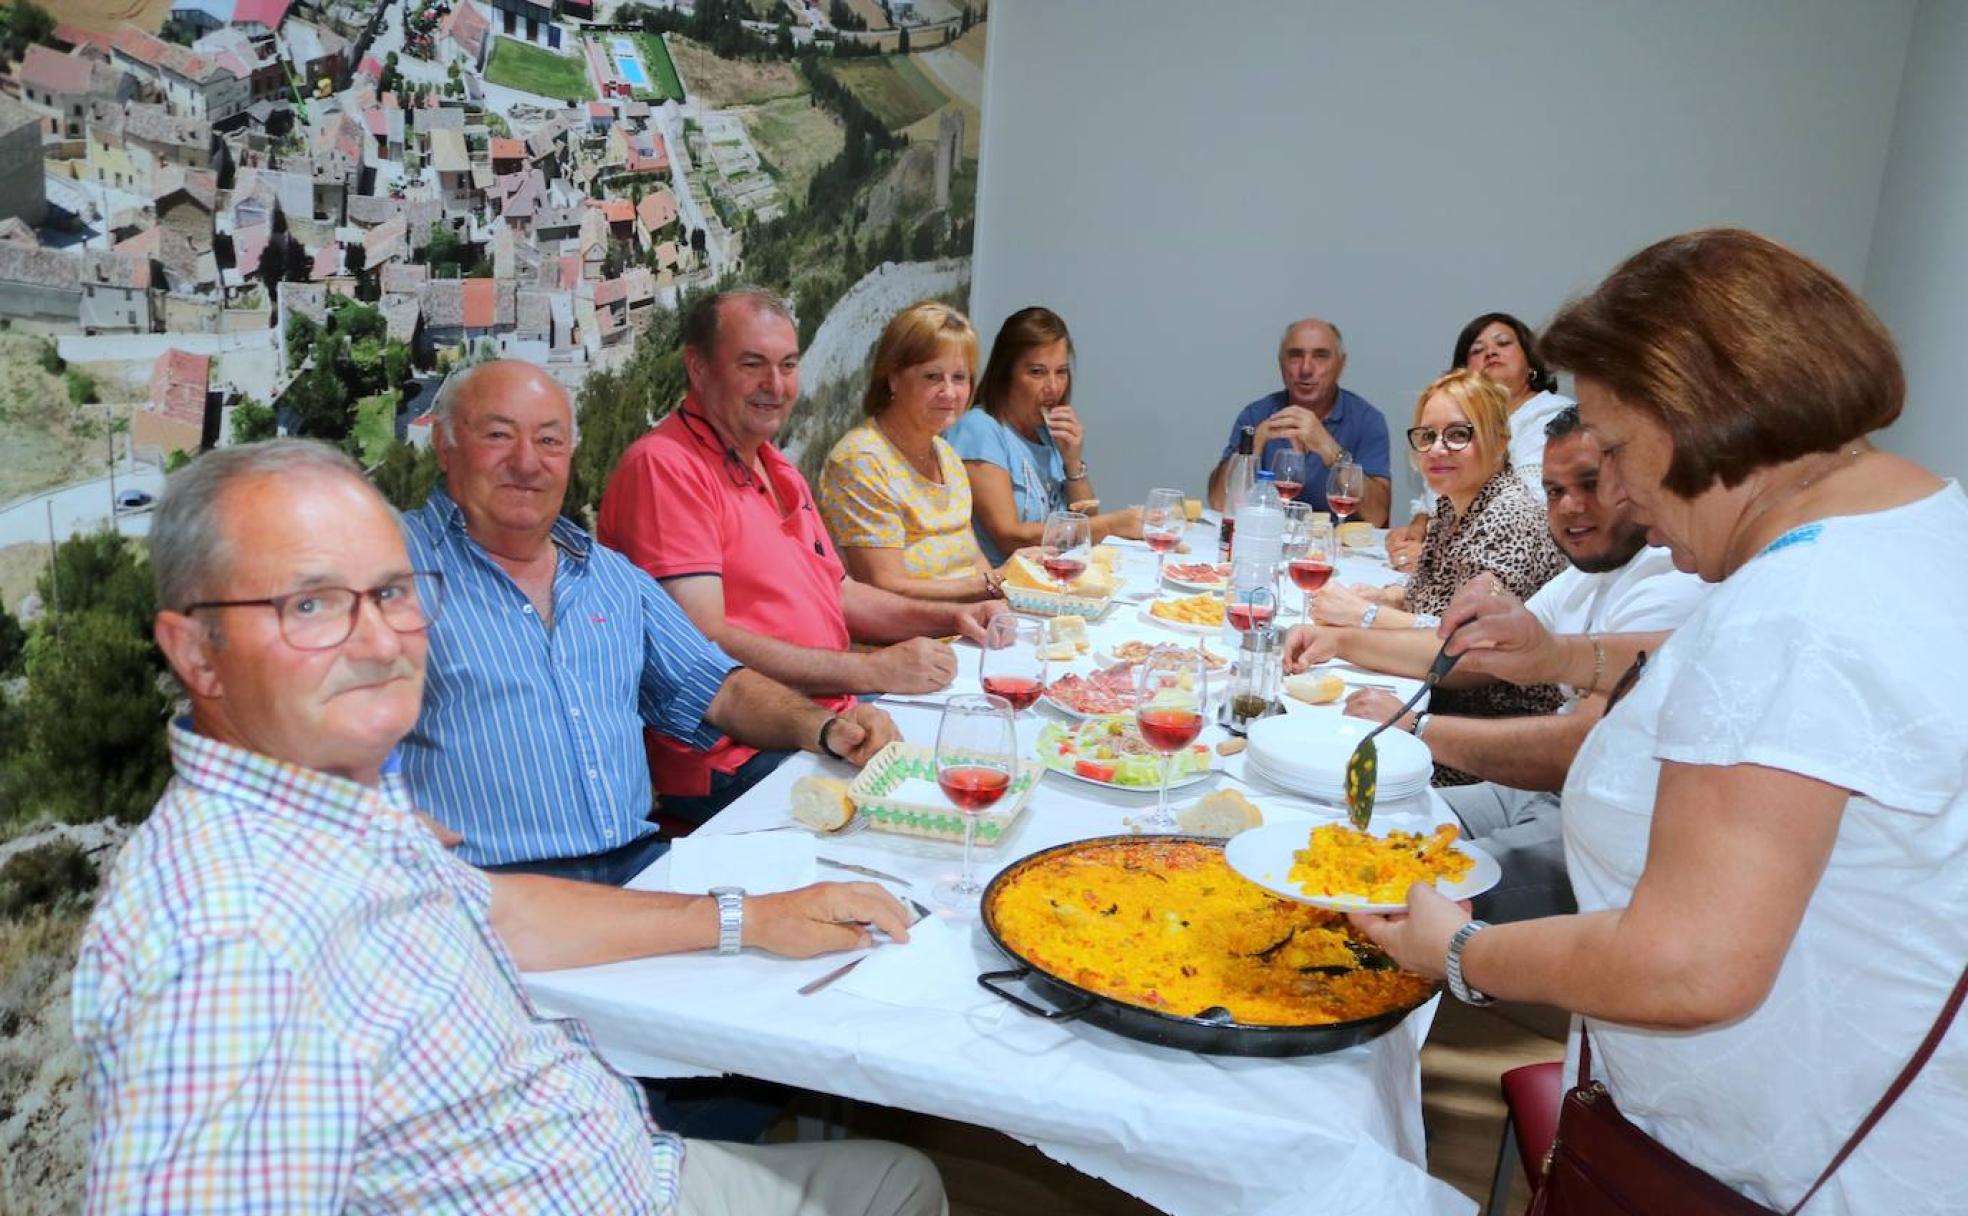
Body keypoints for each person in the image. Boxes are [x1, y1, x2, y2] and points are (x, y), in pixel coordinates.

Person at [74, 440, 946, 1215]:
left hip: (615, 1160)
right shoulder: (222, 938)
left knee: (895, 1169)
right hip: (606, 1185)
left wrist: (751, 915)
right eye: (309, 606)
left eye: (391, 593)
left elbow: (495, 912)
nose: (379, 640)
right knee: (903, 1183)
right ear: (193, 652)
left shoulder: (320, 805)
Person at [1354, 229, 1968, 1214]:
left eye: (1616, 444)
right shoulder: (1910, 518)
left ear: (1695, 412)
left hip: (1777, 1169)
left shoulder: (1793, 606)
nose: (1621, 492)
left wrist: (1459, 954)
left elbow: (1691, 959)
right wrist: (1567, 657)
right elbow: (1785, 708)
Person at [399, 360, 902, 873]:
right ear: (445, 445)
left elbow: (722, 690)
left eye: (549, 442)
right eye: (499, 436)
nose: (527, 462)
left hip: (636, 866)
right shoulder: (390, 565)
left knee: (861, 886)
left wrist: (826, 728)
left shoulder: (611, 578)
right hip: (492, 892)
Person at [1283, 406, 1705, 920]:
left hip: (1607, 827)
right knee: (1343, 822)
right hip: (1542, 793)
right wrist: (1342, 641)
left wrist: (1417, 725)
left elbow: (1579, 746)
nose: (1571, 507)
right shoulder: (1590, 569)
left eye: (1590, 484)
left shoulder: (1668, 581)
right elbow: (1477, 655)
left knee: (1385, 891)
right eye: (1555, 490)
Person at [596, 290, 1003, 821]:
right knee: (952, 819)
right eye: (752, 365)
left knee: (988, 762)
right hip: (736, 757)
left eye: (788, 365)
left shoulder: (774, 466)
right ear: (698, 368)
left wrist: (951, 617)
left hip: (834, 722)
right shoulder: (665, 467)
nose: (776, 385)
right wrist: (871, 669)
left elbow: (839, 593)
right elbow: (704, 641)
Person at [1308, 368, 1567, 778]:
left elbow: (1466, 657)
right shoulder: (1453, 503)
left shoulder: (1508, 516)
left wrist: (1346, 634)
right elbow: (1434, 598)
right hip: (1434, 706)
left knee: (1325, 760)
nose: (1437, 449)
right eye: (1427, 436)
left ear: (1498, 440)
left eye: (1458, 434)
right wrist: (1391, 597)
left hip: (1479, 740)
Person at [818, 301, 1022, 601]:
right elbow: (883, 588)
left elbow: (972, 562)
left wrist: (1003, 592)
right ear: (893, 377)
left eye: (960, 377)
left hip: (963, 626)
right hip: (901, 642)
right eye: (932, 376)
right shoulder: (860, 461)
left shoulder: (946, 453)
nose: (950, 393)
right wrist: (996, 581)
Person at [948, 306, 1143, 564]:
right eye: (1037, 372)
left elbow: (1088, 523)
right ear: (1006, 374)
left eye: (1061, 371)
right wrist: (1112, 525)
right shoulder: (980, 428)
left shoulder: (1047, 432)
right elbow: (1008, 536)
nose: (1053, 387)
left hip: (1056, 576)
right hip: (1004, 585)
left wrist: (1073, 462)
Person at [1389, 312, 1573, 572]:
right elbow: (1437, 494)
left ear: (1530, 360)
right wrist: (1419, 525)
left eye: (1504, 343)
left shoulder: (1555, 415)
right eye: (1477, 349)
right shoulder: (1455, 421)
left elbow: (1528, 509)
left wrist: (1436, 553)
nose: (1491, 353)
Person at [1205, 318, 1393, 525]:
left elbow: (1378, 516)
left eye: (1320, 356)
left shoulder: (1367, 420)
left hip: (1337, 549)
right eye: (1295, 356)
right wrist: (1252, 448)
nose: (1305, 368)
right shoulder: (1256, 414)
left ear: (1341, 364)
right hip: (1265, 541)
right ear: (1280, 363)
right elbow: (1219, 504)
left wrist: (1332, 452)